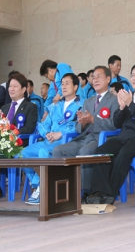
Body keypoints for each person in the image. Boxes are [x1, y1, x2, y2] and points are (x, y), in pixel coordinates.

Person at [86, 63, 135, 204]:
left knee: (124, 153)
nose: (134, 78)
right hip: (123, 137)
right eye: (132, 75)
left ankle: (110, 193)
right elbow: (117, 123)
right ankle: (99, 191)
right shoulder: (129, 97)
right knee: (100, 151)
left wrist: (130, 104)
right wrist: (121, 108)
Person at [51, 66, 119, 196]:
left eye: (99, 76)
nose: (95, 80)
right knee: (58, 150)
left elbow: (115, 125)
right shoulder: (88, 101)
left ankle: (85, 192)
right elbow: (77, 127)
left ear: (108, 79)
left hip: (101, 139)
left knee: (85, 152)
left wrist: (93, 120)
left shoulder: (114, 100)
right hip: (84, 137)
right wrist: (81, 123)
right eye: (93, 77)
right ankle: (62, 192)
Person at [22, 73, 85, 205]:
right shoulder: (55, 106)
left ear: (75, 87)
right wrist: (47, 134)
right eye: (62, 84)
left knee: (43, 153)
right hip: (49, 140)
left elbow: (78, 127)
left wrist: (60, 134)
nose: (64, 86)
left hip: (65, 142)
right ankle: (37, 183)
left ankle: (40, 188)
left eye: (67, 83)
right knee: (23, 153)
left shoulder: (81, 106)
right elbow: (43, 124)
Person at [0, 73, 38, 204]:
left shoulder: (31, 107)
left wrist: (9, 133)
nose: (11, 89)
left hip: (19, 143)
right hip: (2, 143)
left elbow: (29, 128)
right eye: (10, 86)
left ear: (24, 89)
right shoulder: (4, 108)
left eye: (15, 86)